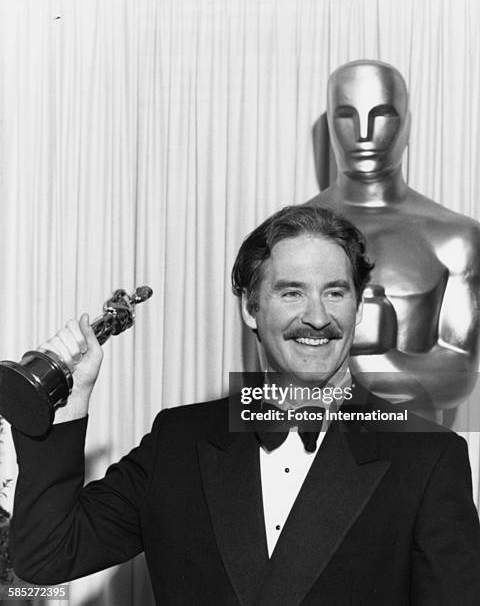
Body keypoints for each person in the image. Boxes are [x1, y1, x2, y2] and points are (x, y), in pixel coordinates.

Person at [9, 206, 480, 605]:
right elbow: (48, 554)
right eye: (292, 291)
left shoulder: (427, 455)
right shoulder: (180, 439)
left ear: (357, 308)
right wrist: (65, 407)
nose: (318, 317)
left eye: (335, 292)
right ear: (251, 309)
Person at [307, 60, 480, 420]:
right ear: (329, 124)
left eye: (382, 114)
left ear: (407, 124)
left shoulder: (455, 237)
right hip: (313, 450)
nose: (364, 132)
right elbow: (273, 380)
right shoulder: (290, 234)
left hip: (418, 455)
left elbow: (458, 377)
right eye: (346, 115)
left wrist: (375, 357)